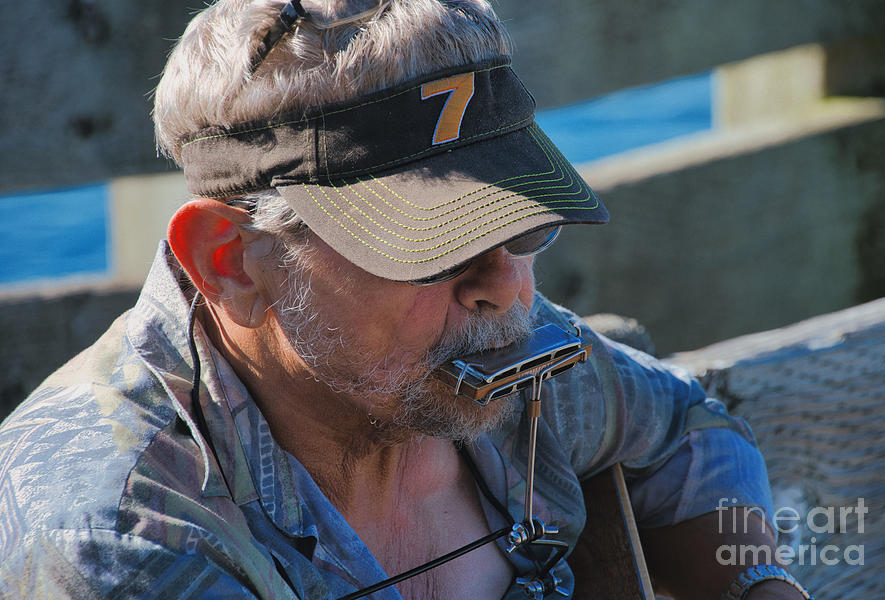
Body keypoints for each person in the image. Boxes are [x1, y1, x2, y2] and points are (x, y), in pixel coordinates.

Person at [0, 1, 813, 598]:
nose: (507, 287)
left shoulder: (499, 364)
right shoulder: (124, 542)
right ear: (231, 262)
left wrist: (759, 588)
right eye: (437, 245)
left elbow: (684, 431)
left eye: (522, 225)